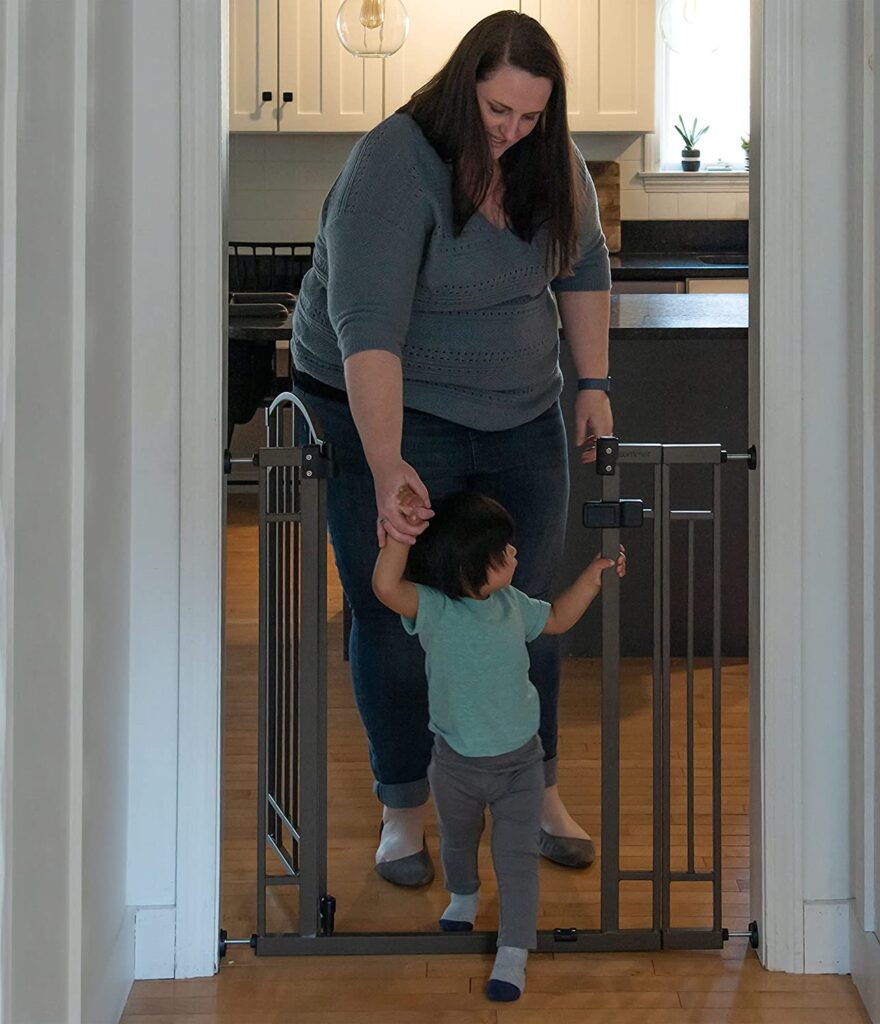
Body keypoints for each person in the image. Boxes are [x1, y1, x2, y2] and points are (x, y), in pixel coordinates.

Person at [289, 10, 613, 886]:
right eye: (498, 111)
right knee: (395, 614)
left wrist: (593, 385)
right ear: (463, 84)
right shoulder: (396, 165)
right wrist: (389, 461)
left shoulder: (552, 164)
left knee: (524, 603)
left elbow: (583, 268)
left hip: (516, 407)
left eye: (530, 116)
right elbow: (369, 329)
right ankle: (403, 810)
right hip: (388, 397)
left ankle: (533, 788)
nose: (511, 132)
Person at [372, 490, 626, 1001]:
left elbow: (557, 618)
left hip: (519, 766)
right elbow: (384, 586)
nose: (515, 555)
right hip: (454, 765)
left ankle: (514, 948)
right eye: (504, 551)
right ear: (469, 565)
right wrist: (399, 537)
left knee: (515, 857)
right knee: (458, 841)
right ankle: (463, 896)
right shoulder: (435, 610)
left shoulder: (514, 606)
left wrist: (591, 580)